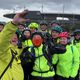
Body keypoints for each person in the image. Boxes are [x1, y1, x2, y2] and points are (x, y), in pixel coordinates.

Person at [0, 10, 29, 80]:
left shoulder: (18, 49)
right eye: (12, 35)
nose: (14, 37)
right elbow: (3, 41)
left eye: (16, 36)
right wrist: (13, 24)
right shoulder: (4, 51)